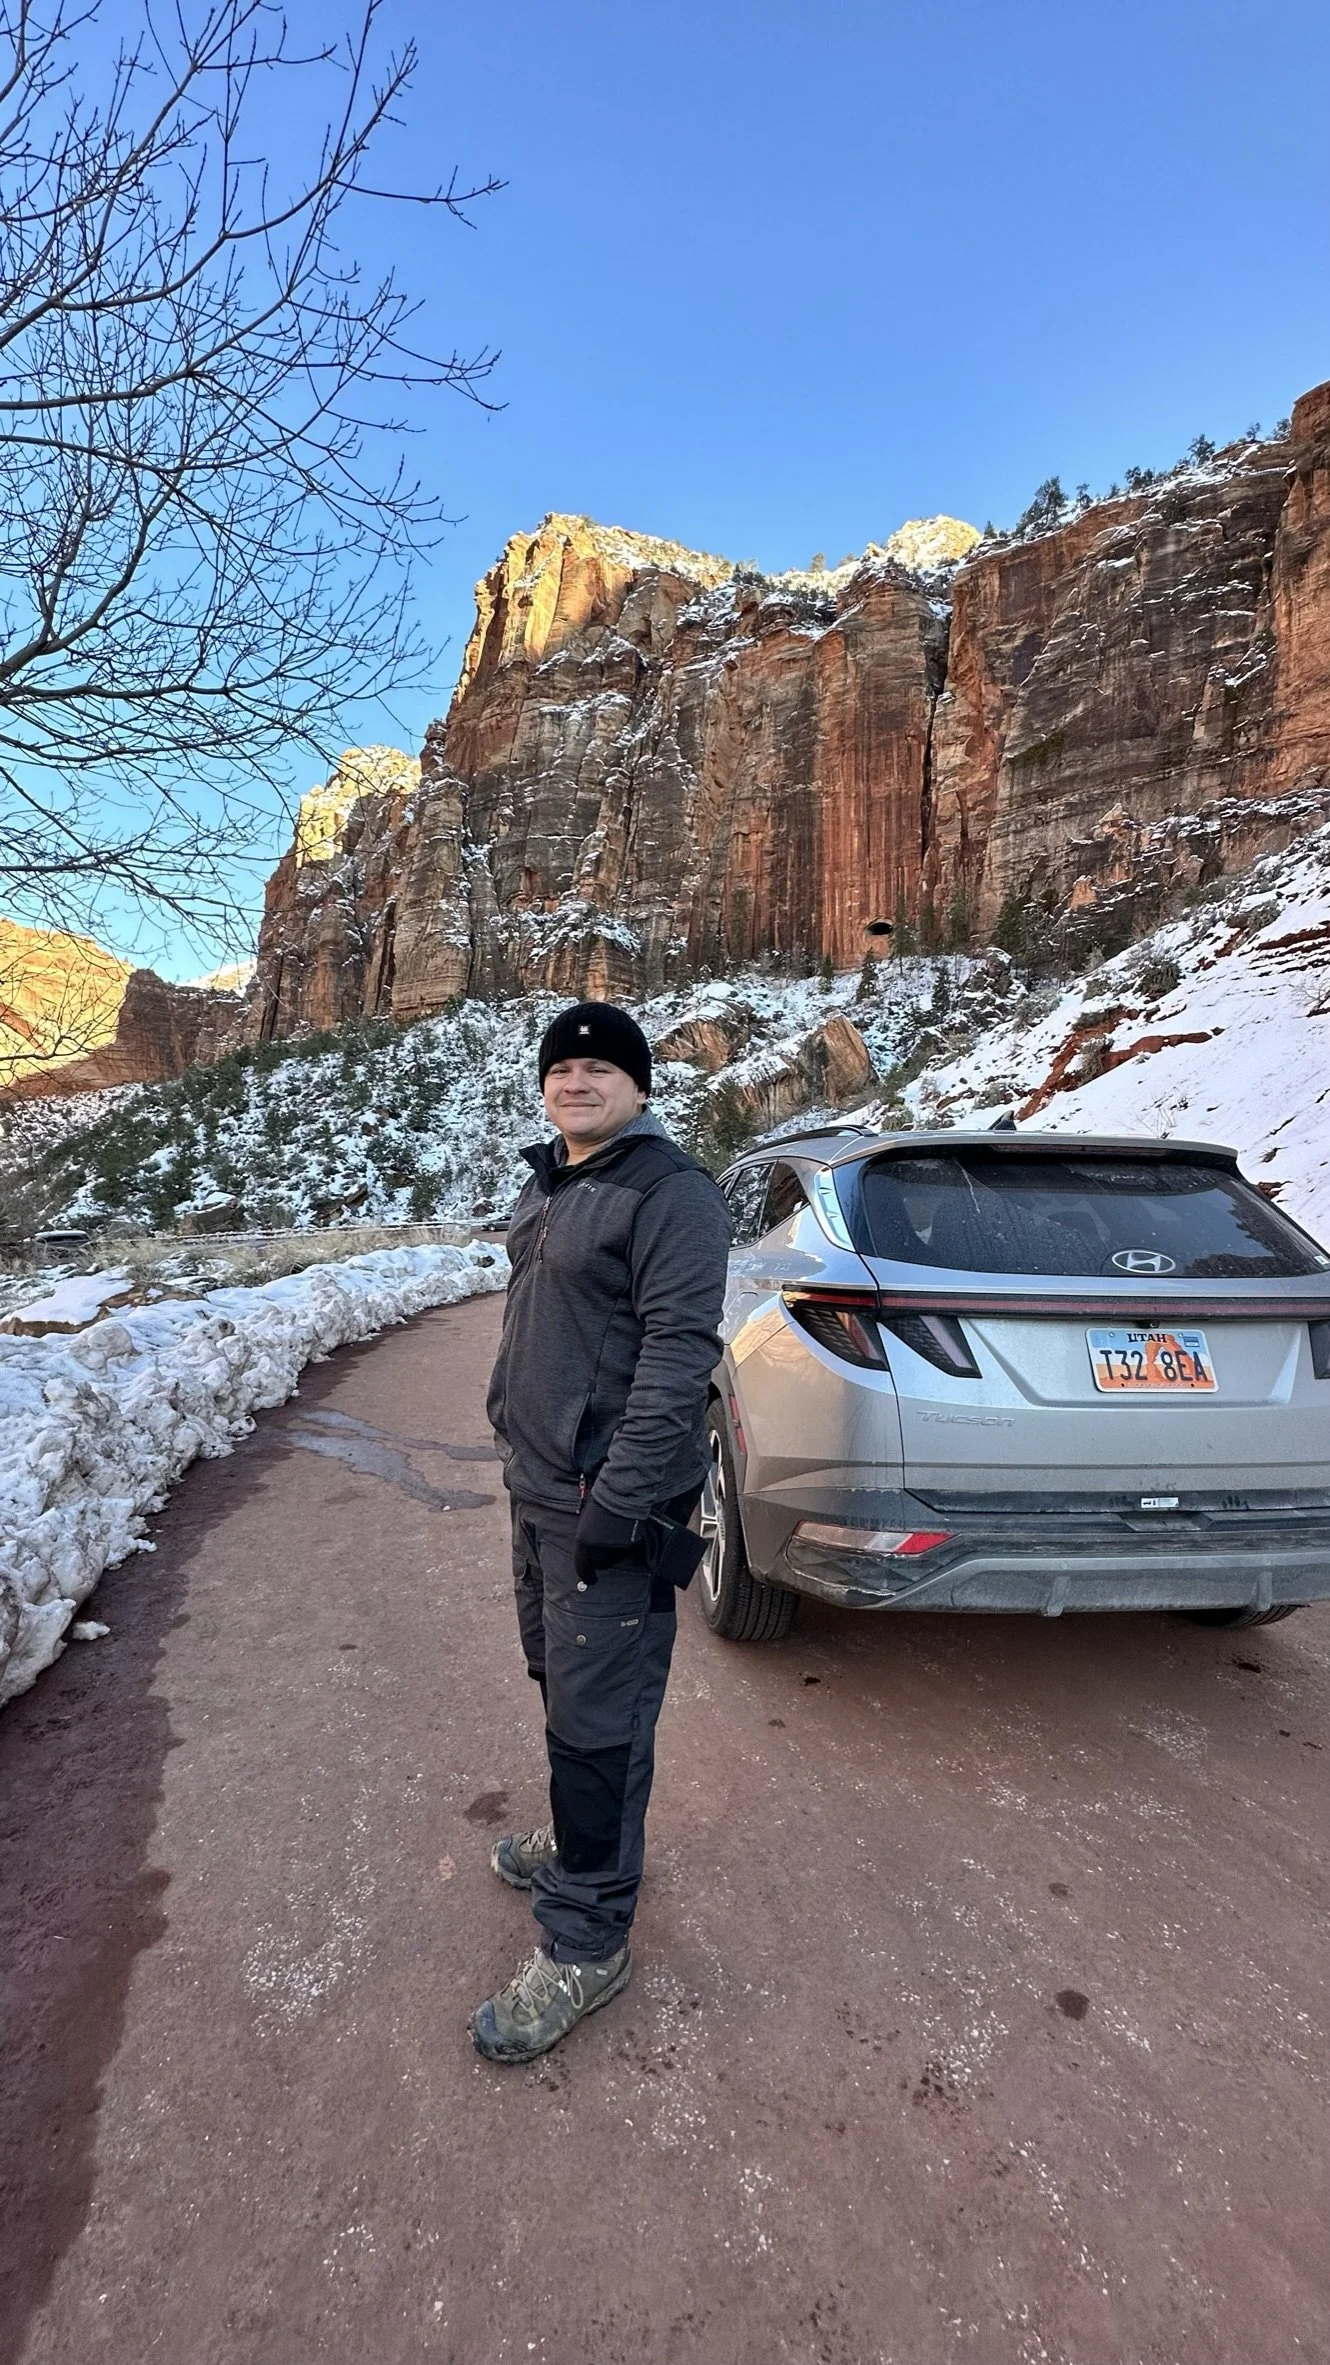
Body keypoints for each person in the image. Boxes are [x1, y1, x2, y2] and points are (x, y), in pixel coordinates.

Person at [473, 1000, 732, 2064]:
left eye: (597, 1067)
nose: (574, 1080)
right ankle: (589, 1845)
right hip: (540, 1493)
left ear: (638, 1086)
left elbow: (679, 1355)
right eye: (560, 1066)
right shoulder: (553, 1182)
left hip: (601, 1506)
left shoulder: (670, 1193)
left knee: (600, 1717)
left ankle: (586, 1938)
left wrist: (619, 1499)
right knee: (563, 1683)